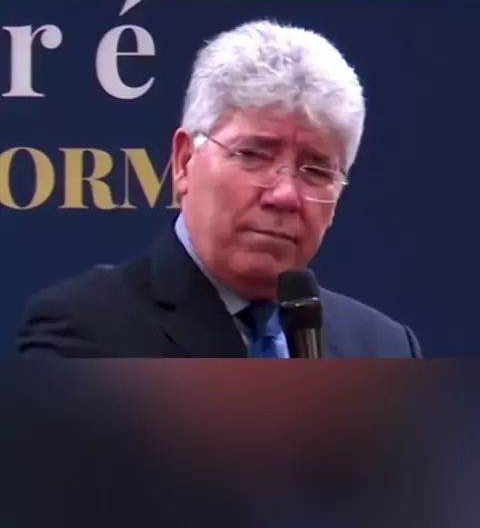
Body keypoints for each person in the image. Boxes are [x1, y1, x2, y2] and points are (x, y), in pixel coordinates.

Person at [17, 20, 422, 358]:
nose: (285, 194)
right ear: (184, 162)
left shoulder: (384, 348)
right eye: (253, 155)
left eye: (315, 170)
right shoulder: (86, 331)